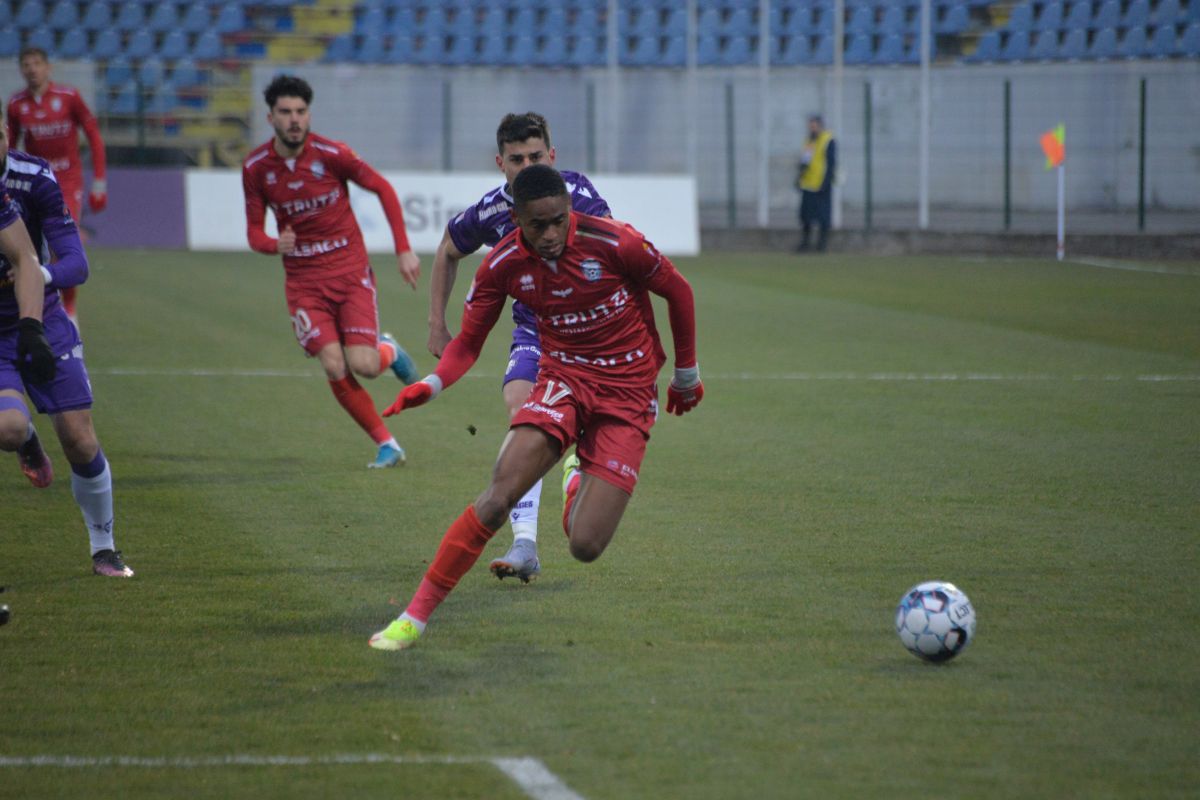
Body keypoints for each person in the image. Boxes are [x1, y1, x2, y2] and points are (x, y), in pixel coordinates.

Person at [369, 165, 704, 651]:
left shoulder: (615, 242)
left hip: (627, 392)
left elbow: (679, 291)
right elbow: (469, 342)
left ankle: (575, 481)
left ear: (569, 211)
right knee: (498, 494)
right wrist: (433, 384)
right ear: (516, 219)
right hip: (562, 379)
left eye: (558, 221)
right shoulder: (502, 264)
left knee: (585, 545)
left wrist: (687, 375)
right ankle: (413, 618)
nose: (550, 234)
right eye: (537, 225)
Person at [428, 112, 611, 584]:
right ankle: (525, 543)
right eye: (516, 159)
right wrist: (437, 324)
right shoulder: (493, 211)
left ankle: (572, 459)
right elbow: (449, 247)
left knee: (558, 422)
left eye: (535, 156)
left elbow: (616, 253)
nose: (526, 166)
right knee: (521, 409)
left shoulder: (581, 198)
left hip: (588, 330)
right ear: (500, 163)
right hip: (534, 327)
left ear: (551, 156)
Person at [243, 74, 422, 469]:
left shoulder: (332, 154)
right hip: (304, 284)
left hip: (349, 273)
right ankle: (388, 444)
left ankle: (388, 351)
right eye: (286, 112)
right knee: (333, 363)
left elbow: (383, 188)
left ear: (309, 114)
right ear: (270, 116)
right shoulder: (256, 168)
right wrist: (275, 244)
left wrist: (404, 249)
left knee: (364, 366)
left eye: (301, 112)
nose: (295, 119)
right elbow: (254, 233)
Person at [0, 110, 132, 577]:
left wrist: (39, 275)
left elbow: (77, 262)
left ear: (6, 132)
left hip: (44, 319)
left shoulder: (33, 178)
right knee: (10, 429)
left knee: (78, 437)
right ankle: (28, 441)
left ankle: (104, 548)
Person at [6, 47, 108, 322]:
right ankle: (30, 308)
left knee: (62, 244)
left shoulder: (69, 97)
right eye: (26, 64)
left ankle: (69, 310)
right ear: (21, 70)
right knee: (28, 245)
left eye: (37, 63)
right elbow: (9, 146)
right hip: (33, 183)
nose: (32, 69)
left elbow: (94, 136)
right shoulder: (16, 104)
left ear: (48, 67)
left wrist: (99, 181)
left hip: (66, 180)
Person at [796, 114, 836, 253]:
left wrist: (826, 181)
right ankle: (805, 243)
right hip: (808, 184)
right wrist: (798, 178)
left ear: (820, 126)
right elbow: (804, 162)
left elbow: (831, 163)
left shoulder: (828, 140)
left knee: (823, 216)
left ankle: (821, 245)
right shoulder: (809, 141)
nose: (812, 129)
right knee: (805, 216)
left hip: (822, 184)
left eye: (814, 126)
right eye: (810, 126)